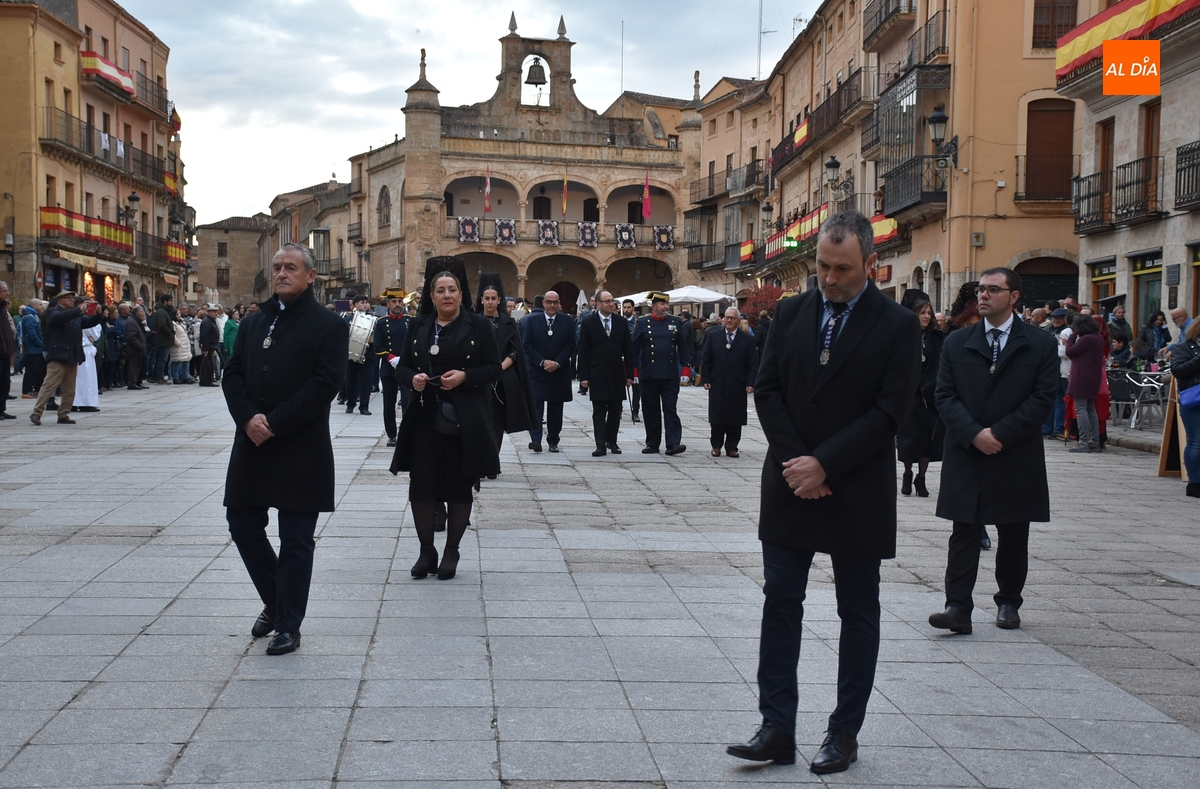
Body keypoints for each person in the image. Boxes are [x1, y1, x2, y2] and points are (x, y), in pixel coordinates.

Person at [726, 211, 920, 775]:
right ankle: (775, 728)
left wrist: (826, 464)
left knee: (857, 611)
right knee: (781, 602)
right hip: (790, 482)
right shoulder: (790, 312)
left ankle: (843, 733)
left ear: (871, 264)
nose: (830, 279)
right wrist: (798, 464)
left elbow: (890, 411)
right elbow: (768, 390)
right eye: (822, 267)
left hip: (856, 486)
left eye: (842, 269)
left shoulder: (897, 325)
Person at [222, 243, 348, 656]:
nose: (281, 273)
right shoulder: (254, 322)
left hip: (299, 447)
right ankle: (276, 601)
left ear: (310, 276)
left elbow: (324, 385)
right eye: (277, 267)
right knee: (242, 525)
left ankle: (289, 624)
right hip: (253, 443)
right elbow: (232, 372)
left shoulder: (328, 325)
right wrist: (247, 418)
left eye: (290, 267)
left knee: (295, 538)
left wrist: (273, 423)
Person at [930, 268, 1058, 635]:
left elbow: (1042, 399)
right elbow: (944, 395)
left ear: (1014, 297)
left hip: (1015, 451)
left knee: (1014, 529)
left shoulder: (1040, 344)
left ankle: (1008, 602)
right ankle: (957, 607)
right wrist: (974, 434)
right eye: (981, 290)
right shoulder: (957, 342)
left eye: (993, 290)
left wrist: (999, 434)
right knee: (964, 528)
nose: (983, 296)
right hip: (967, 449)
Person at [390, 258, 501, 580]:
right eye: (440, 290)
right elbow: (403, 366)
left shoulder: (478, 326)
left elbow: (494, 368)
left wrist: (465, 376)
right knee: (421, 486)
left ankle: (452, 550)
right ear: (432, 296)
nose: (447, 295)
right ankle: (427, 550)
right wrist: (412, 379)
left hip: (464, 419)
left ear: (461, 294)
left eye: (452, 289)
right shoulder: (419, 325)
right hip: (424, 416)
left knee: (458, 485)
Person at [475, 274, 535, 453]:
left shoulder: (508, 323)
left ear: (499, 300)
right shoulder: (474, 322)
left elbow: (514, 351)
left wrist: (499, 368)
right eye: (487, 298)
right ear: (481, 299)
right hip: (479, 377)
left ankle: (493, 459)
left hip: (502, 378)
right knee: (479, 422)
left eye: (493, 298)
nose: (490, 302)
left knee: (498, 422)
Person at [30, 290, 104, 425]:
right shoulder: (54, 312)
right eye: (69, 298)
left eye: (72, 298)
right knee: (49, 385)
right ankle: (37, 412)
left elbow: (88, 322)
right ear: (60, 300)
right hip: (58, 356)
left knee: (70, 389)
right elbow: (60, 318)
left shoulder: (75, 315)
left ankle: (63, 414)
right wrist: (79, 310)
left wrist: (98, 314)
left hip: (72, 356)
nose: (72, 300)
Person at [631, 292, 692, 455]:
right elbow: (634, 349)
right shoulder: (643, 323)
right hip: (648, 374)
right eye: (662, 304)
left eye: (667, 304)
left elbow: (683, 346)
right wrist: (634, 371)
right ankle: (652, 443)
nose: (666, 307)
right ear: (654, 306)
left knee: (670, 408)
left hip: (669, 373)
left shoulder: (675, 322)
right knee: (650, 409)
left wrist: (685, 368)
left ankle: (673, 443)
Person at [577, 291, 633, 457]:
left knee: (616, 410)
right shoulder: (589, 323)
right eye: (607, 301)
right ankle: (600, 445)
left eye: (612, 301)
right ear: (598, 304)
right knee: (599, 410)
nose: (611, 304)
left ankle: (612, 441)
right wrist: (584, 376)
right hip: (597, 372)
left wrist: (630, 374)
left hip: (617, 372)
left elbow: (628, 350)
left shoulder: (621, 322)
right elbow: (583, 351)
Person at [897, 300, 944, 497]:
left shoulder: (936, 337)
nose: (926, 316)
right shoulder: (904, 335)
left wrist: (932, 385)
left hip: (929, 394)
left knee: (927, 439)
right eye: (922, 312)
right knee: (910, 438)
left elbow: (939, 363)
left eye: (929, 313)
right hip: (911, 395)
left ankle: (921, 478)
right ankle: (908, 473)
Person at [521, 289, 575, 453]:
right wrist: (542, 361)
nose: (552, 305)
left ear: (559, 304)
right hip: (537, 370)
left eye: (555, 302)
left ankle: (553, 440)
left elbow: (571, 345)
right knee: (535, 406)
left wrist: (557, 362)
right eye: (549, 302)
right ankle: (535, 439)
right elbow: (527, 344)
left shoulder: (567, 321)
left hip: (559, 371)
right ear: (543, 303)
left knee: (555, 408)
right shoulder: (532, 321)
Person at [701, 306, 758, 457]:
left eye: (732, 318)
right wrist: (706, 378)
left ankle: (732, 446)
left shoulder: (748, 339)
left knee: (735, 415)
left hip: (737, 383)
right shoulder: (713, 336)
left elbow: (753, 364)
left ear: (738, 321)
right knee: (717, 415)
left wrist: (750, 383)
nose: (729, 320)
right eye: (727, 317)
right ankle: (716, 445)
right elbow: (706, 359)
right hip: (717, 382)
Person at [1166, 319, 1200, 497]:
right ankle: (1195, 483)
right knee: (1196, 441)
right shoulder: (1184, 347)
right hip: (1195, 400)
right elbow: (1178, 370)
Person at [374, 288, 410, 447]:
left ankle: (406, 433)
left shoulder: (410, 321)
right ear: (388, 304)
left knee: (407, 402)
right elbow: (378, 347)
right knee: (389, 404)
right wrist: (391, 358)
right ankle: (391, 435)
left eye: (400, 301)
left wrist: (404, 358)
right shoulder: (382, 322)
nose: (397, 304)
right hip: (389, 368)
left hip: (406, 368)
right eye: (394, 302)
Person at [1065, 314, 1105, 453]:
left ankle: (1083, 441)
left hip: (1081, 376)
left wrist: (1072, 336)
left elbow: (1070, 351)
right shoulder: (1098, 337)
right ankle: (1094, 441)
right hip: (1093, 377)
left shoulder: (1086, 339)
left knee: (1081, 408)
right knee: (1090, 409)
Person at [341, 294, 374, 415]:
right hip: (351, 355)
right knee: (350, 380)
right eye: (361, 302)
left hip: (368, 354)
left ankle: (364, 406)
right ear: (355, 305)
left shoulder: (373, 320)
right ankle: (350, 404)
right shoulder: (348, 320)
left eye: (366, 302)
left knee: (366, 381)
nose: (364, 305)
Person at [19, 300, 46, 397]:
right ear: (34, 306)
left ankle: (31, 389)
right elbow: (31, 333)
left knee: (35, 370)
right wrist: (40, 343)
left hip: (36, 348)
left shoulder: (34, 316)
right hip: (32, 349)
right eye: (40, 304)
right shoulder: (29, 317)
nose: (42, 306)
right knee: (31, 370)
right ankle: (27, 391)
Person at [622, 299, 641, 422]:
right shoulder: (619, 321)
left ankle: (635, 411)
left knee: (636, 387)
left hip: (634, 358)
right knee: (619, 385)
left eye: (629, 307)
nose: (626, 310)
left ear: (633, 308)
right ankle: (618, 409)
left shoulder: (638, 323)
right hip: (621, 357)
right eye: (624, 307)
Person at [149, 294, 174, 384]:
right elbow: (162, 325)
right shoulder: (161, 312)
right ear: (165, 302)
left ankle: (158, 376)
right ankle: (159, 377)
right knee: (162, 359)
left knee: (161, 359)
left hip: (163, 339)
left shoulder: (164, 311)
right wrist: (170, 333)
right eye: (170, 301)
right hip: (162, 339)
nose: (172, 303)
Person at [124, 306, 148, 390]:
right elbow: (131, 337)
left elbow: (145, 332)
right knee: (134, 366)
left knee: (139, 366)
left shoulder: (138, 321)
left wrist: (144, 323)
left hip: (139, 349)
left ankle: (138, 382)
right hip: (134, 349)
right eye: (142, 312)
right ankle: (132, 383)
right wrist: (140, 346)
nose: (144, 314)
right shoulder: (131, 322)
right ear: (137, 313)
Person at [0, 282, 15, 420]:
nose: (8, 293)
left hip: (5, 351)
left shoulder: (3, 308)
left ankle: (1, 409)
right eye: (5, 291)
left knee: (5, 382)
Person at [199, 305, 221, 387]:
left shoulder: (211, 321)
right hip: (208, 346)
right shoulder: (207, 322)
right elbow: (204, 336)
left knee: (208, 363)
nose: (216, 314)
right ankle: (207, 381)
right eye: (214, 312)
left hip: (211, 345)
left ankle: (206, 380)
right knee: (207, 364)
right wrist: (205, 348)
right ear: (210, 312)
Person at [171, 309, 193, 384]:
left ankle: (185, 377)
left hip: (185, 344)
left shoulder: (181, 322)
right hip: (179, 345)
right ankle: (175, 377)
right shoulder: (173, 323)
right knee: (177, 361)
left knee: (186, 360)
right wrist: (177, 343)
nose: (179, 315)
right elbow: (173, 334)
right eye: (178, 314)